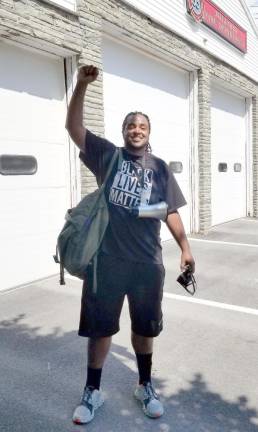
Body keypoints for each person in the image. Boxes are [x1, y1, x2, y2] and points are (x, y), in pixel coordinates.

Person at [65, 65, 195, 425]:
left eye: (142, 126)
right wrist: (80, 87)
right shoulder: (109, 156)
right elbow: (74, 129)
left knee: (144, 329)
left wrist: (184, 246)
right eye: (130, 126)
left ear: (148, 133)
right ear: (123, 133)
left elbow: (168, 211)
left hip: (147, 265)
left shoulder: (160, 168)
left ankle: (145, 385)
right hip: (105, 262)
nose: (135, 130)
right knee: (100, 329)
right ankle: (93, 390)